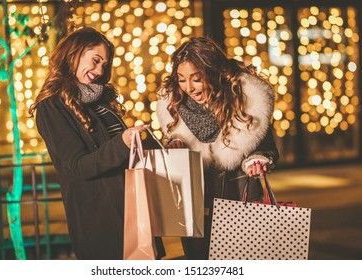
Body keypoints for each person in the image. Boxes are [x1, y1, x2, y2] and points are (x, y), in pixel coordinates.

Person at [28, 27, 153, 260]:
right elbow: (79, 166)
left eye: (104, 66)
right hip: (101, 222)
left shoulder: (100, 100)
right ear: (74, 53)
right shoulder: (51, 107)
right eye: (95, 61)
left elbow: (120, 154)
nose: (99, 70)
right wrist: (123, 143)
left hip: (133, 209)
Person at [156, 37, 279, 259]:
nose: (189, 87)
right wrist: (174, 145)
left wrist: (257, 159)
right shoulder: (173, 104)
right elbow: (171, 138)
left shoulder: (246, 99)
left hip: (239, 196)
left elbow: (266, 145)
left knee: (240, 262)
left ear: (213, 72)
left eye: (196, 79)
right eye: (181, 80)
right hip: (195, 203)